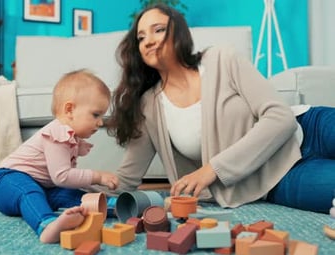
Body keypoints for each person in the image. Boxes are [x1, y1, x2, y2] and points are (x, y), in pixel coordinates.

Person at [106, 3, 335, 213]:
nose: (148, 40)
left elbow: (281, 117)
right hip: (279, 178)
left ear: (179, 32)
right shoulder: (149, 106)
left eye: (158, 30)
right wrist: (75, 180)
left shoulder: (221, 59)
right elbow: (126, 179)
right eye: (141, 37)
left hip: (310, 127)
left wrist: (211, 170)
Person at [0, 69, 119, 243]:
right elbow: (62, 176)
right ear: (70, 109)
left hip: (44, 186)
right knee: (30, 191)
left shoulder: (71, 137)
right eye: (96, 114)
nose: (100, 122)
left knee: (67, 194)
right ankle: (46, 224)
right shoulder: (57, 133)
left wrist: (93, 190)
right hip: (7, 183)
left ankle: (110, 206)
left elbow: (64, 183)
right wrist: (97, 176)